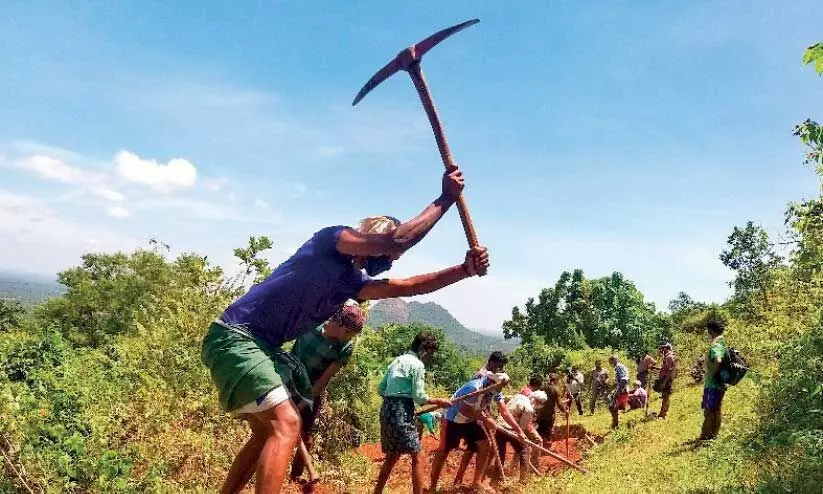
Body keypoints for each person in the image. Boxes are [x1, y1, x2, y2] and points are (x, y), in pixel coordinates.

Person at [201, 166, 491, 494]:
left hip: (261, 347)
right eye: (390, 253)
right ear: (373, 241)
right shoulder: (330, 241)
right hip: (237, 336)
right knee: (287, 424)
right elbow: (399, 239)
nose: (393, 258)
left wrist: (464, 270)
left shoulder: (352, 285)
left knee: (267, 434)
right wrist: (445, 199)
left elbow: (409, 287)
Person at [429, 353, 525, 493]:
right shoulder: (475, 387)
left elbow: (504, 411)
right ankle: (432, 486)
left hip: (471, 419)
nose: (500, 390)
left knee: (486, 445)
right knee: (443, 451)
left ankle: (476, 482)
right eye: (500, 387)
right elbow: (465, 409)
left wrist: (519, 430)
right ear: (492, 382)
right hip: (453, 418)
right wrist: (486, 419)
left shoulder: (494, 390)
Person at [289, 304, 364, 480]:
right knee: (277, 428)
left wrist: (302, 403)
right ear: (340, 326)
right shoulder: (312, 323)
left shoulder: (345, 348)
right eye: (348, 334)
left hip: (312, 390)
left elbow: (324, 380)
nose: (349, 339)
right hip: (287, 379)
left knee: (306, 435)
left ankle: (296, 476)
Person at [374, 332, 452, 494]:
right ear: (423, 349)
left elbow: (381, 389)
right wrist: (440, 401)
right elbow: (420, 397)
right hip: (401, 412)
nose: (430, 357)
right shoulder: (417, 365)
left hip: (387, 410)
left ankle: (377, 492)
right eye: (430, 353)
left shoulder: (397, 360)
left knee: (392, 456)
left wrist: (395, 400)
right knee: (418, 456)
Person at [489, 390, 547, 486]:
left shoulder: (518, 396)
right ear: (537, 402)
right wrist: (522, 439)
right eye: (540, 404)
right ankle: (523, 480)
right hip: (510, 429)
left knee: (500, 453)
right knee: (525, 450)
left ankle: (497, 478)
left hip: (499, 426)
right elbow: (521, 428)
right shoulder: (529, 409)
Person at [700, 315, 728, 441]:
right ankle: (712, 436)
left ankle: (705, 438)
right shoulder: (721, 341)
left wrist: (714, 373)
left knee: (709, 411)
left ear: (711, 330)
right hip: (718, 383)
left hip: (713, 384)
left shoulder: (717, 343)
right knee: (716, 410)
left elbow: (718, 360)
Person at [536, 374, 566, 449]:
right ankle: (547, 450)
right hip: (549, 415)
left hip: (540, 414)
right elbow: (559, 404)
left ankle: (539, 449)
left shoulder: (542, 387)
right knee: (548, 433)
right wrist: (565, 411)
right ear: (555, 380)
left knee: (540, 431)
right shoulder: (555, 389)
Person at [656, 342, 677, 419]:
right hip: (666, 379)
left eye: (661, 348)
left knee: (665, 397)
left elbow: (669, 370)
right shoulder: (668, 356)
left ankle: (663, 414)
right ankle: (664, 413)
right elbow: (666, 369)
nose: (660, 350)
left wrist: (664, 382)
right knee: (666, 396)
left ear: (665, 348)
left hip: (666, 380)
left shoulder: (669, 357)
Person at [608, 355, 629, 429]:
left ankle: (615, 425)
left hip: (622, 391)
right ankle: (615, 424)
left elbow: (624, 380)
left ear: (613, 361)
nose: (610, 364)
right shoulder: (620, 367)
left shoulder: (619, 367)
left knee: (612, 407)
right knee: (613, 406)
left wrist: (617, 392)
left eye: (610, 362)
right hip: (622, 390)